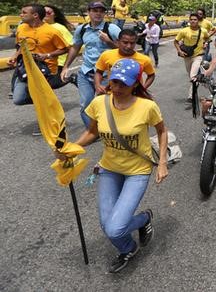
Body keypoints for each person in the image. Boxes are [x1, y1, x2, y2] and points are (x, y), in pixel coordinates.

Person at [56, 58, 169, 273]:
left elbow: (162, 131)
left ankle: (145, 217)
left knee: (115, 228)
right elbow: (92, 132)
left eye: (124, 84)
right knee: (107, 225)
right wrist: (70, 148)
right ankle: (129, 248)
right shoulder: (100, 103)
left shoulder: (147, 106)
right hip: (109, 168)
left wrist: (162, 163)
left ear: (136, 84)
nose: (117, 88)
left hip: (137, 171)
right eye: (114, 82)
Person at [61, 1, 121, 126]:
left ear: (105, 13)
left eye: (101, 11)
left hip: (106, 74)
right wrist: (65, 66)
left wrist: (109, 41)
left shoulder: (112, 29)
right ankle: (92, 131)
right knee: (85, 104)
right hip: (86, 72)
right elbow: (75, 47)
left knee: (104, 105)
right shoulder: (82, 29)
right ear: (88, 12)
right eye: (95, 11)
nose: (98, 14)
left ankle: (107, 128)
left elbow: (125, 49)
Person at [7, 3, 69, 105]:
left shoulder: (52, 31)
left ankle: (48, 103)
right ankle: (44, 100)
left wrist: (47, 55)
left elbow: (65, 49)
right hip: (25, 68)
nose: (20, 15)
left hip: (46, 70)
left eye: (24, 13)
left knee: (45, 102)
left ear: (35, 15)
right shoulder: (21, 28)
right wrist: (14, 57)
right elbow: (20, 46)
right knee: (18, 100)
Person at [174, 13, 210, 101]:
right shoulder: (184, 31)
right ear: (189, 20)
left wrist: (205, 44)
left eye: (195, 19)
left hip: (198, 56)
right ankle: (200, 76)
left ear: (198, 21)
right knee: (191, 76)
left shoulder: (203, 31)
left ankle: (191, 96)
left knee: (192, 76)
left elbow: (207, 38)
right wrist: (179, 51)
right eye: (191, 19)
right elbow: (175, 41)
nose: (193, 21)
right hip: (187, 56)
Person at [43, 5, 75, 82]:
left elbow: (71, 45)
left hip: (59, 61)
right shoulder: (39, 27)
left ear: (55, 15)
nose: (45, 14)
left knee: (53, 82)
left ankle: (72, 78)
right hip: (44, 60)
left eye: (48, 12)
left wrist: (66, 64)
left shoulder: (60, 28)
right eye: (43, 12)